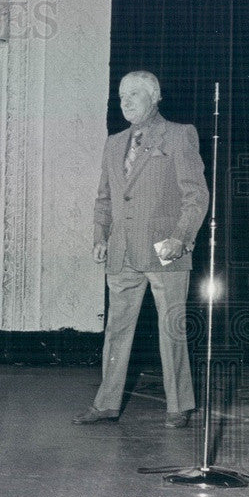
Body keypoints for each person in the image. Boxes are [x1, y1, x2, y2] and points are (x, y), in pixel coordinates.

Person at [73, 71, 209, 429]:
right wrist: (100, 236)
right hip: (121, 251)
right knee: (116, 330)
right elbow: (104, 198)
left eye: (134, 94)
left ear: (155, 97)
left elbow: (196, 196)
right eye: (121, 96)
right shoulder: (114, 143)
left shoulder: (180, 135)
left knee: (172, 329)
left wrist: (180, 238)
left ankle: (178, 406)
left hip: (166, 249)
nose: (126, 101)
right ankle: (106, 404)